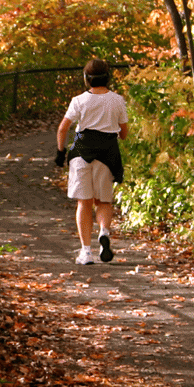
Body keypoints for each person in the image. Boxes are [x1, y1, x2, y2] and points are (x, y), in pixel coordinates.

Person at [55, 59, 129, 265]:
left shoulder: (78, 100)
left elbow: (63, 128)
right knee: (103, 201)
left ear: (87, 78)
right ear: (108, 77)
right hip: (107, 153)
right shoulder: (117, 100)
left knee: (84, 202)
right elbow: (123, 133)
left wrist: (60, 153)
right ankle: (103, 232)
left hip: (81, 152)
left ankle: (86, 252)